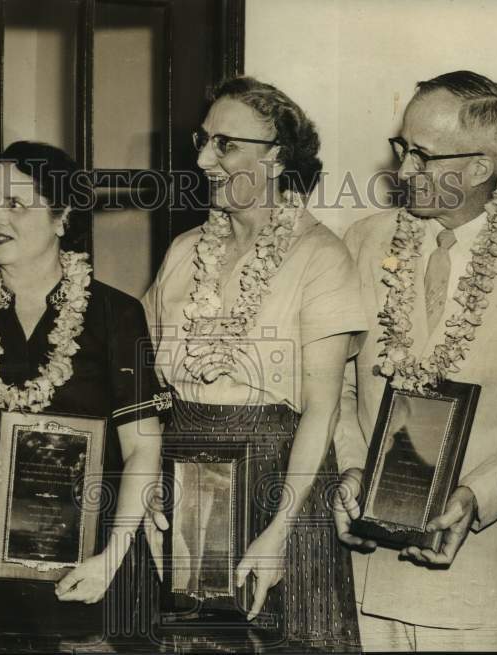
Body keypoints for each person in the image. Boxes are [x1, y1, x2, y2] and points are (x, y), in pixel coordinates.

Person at [331, 70, 497, 651]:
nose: (403, 172)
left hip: (472, 580)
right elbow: (339, 386)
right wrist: (352, 468)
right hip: (357, 575)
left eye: (423, 156)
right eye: (404, 148)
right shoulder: (362, 241)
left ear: (480, 167)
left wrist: (475, 496)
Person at [142, 75, 367, 652]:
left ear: (276, 159)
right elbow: (144, 383)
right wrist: (147, 484)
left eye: (225, 144)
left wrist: (279, 533)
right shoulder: (183, 251)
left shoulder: (321, 255)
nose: (202, 158)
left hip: (279, 483)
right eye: (203, 139)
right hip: (183, 479)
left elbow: (321, 410)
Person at [0, 140, 164, 652]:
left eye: (16, 203)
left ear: (62, 216)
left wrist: (110, 560)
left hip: (82, 562)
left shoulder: (117, 316)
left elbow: (144, 448)